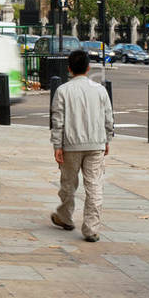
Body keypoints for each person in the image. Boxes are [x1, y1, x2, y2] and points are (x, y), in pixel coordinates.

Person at [50, 48, 114, 242]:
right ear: (88, 68)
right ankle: (91, 228)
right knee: (94, 185)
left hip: (70, 144)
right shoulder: (100, 90)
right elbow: (108, 118)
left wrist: (57, 146)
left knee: (68, 184)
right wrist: (107, 139)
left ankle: (65, 216)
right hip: (96, 144)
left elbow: (57, 121)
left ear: (69, 68)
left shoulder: (62, 91)